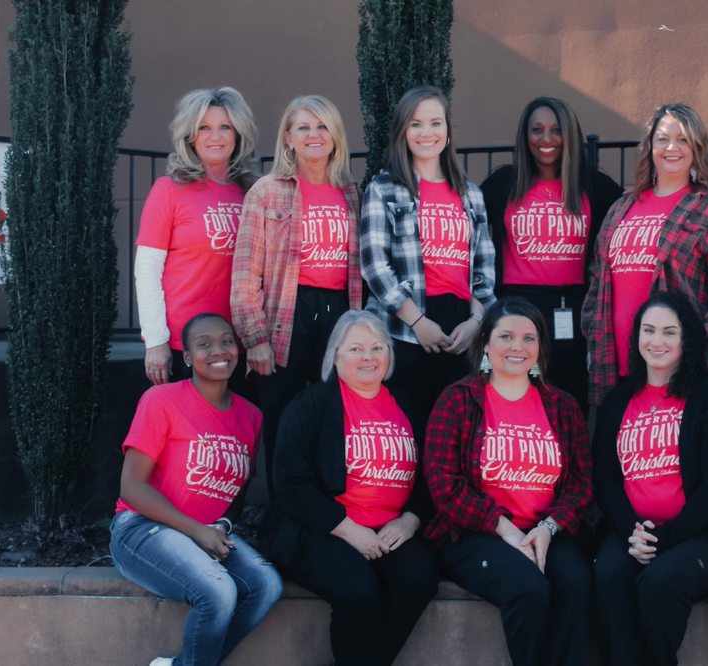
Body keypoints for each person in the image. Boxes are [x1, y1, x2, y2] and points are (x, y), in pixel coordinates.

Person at [258, 310, 438, 666]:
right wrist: (349, 530)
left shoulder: (406, 405)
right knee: (358, 590)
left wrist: (410, 520)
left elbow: (428, 474)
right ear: (335, 355)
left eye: (377, 348)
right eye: (356, 349)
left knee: (419, 579)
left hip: (388, 529)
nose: (368, 357)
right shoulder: (311, 405)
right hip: (321, 529)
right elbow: (291, 482)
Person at [423, 297, 593, 666]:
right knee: (528, 588)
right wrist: (505, 530)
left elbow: (581, 485)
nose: (518, 346)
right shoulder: (458, 400)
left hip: (545, 531)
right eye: (506, 337)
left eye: (529, 338)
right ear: (485, 343)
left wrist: (548, 528)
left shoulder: (562, 406)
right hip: (475, 534)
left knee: (577, 583)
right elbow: (444, 486)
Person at [110, 313, 282, 666]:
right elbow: (131, 488)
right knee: (218, 591)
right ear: (187, 357)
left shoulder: (251, 416)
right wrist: (196, 531)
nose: (218, 350)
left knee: (266, 586)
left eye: (226, 341)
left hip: (205, 533)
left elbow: (238, 490)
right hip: (141, 529)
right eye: (204, 344)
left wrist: (220, 526)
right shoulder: (161, 400)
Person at [592, 292, 708, 665]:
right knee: (609, 575)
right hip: (634, 531)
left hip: (704, 533)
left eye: (669, 332)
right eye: (648, 330)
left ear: (687, 338)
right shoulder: (618, 400)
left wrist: (667, 536)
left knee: (660, 582)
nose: (657, 341)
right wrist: (634, 531)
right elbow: (606, 478)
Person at [231, 95, 363, 497]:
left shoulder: (350, 192)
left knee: (333, 417)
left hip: (339, 314)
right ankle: (283, 512)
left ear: (335, 136)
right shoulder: (267, 192)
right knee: (283, 421)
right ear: (288, 137)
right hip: (287, 314)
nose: (313, 135)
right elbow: (245, 274)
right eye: (303, 127)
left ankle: (326, 510)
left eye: (322, 126)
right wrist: (255, 339)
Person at [581, 103, 708, 408]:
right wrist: (593, 339)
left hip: (682, 367)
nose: (672, 148)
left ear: (697, 146)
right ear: (650, 146)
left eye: (683, 139)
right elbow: (598, 280)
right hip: (618, 367)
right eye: (662, 139)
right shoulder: (621, 208)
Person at [360, 85, 496, 421]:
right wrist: (418, 323)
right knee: (409, 428)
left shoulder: (471, 195)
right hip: (405, 326)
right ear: (402, 132)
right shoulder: (383, 189)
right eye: (416, 124)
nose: (427, 133)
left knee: (457, 430)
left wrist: (476, 322)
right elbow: (375, 266)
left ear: (448, 133)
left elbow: (484, 267)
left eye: (436, 123)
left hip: (461, 329)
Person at [480, 96, 623, 413]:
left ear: (569, 133)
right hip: (514, 308)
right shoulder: (502, 184)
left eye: (556, 130)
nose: (546, 139)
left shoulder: (596, 187)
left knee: (569, 399)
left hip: (572, 311)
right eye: (537, 130)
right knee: (512, 395)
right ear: (525, 135)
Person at [135, 87, 258, 392]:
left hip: (240, 342)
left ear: (238, 133)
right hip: (185, 344)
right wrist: (156, 342)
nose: (215, 136)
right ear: (190, 135)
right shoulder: (168, 190)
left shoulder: (253, 192)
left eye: (225, 127)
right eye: (204, 127)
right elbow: (147, 270)